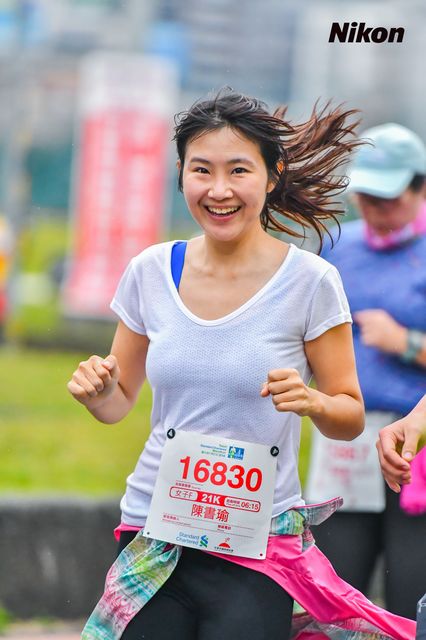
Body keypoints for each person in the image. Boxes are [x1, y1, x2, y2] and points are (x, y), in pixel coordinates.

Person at [68, 91, 415, 640]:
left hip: (257, 543)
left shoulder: (311, 282)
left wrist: (313, 402)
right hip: (155, 532)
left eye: (238, 170)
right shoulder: (150, 271)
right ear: (181, 174)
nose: (219, 190)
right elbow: (119, 402)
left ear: (272, 176)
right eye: (201, 170)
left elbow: (349, 416)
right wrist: (98, 393)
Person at [305, 122, 426, 619]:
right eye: (366, 197)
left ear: (420, 188)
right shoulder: (337, 248)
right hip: (346, 441)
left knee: (411, 594)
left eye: (388, 199)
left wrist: (407, 343)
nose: (375, 210)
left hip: (415, 450)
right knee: (334, 595)